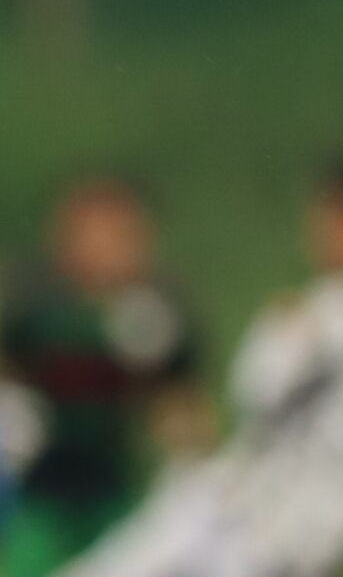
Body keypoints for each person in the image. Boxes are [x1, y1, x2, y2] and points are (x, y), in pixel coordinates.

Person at [57, 149, 343, 577]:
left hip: (262, 515)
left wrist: (283, 325)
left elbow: (258, 384)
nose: (318, 224)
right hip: (327, 520)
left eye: (331, 209)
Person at [0, 179, 201, 577]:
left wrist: (190, 472)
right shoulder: (38, 307)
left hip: (114, 487)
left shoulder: (156, 312)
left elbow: (178, 402)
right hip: (42, 490)